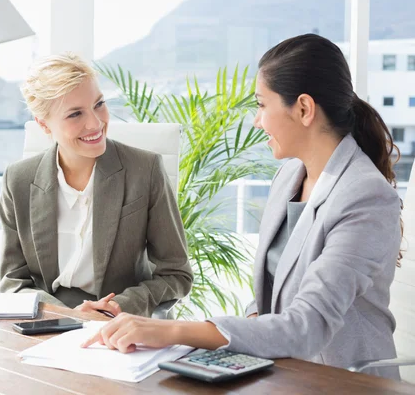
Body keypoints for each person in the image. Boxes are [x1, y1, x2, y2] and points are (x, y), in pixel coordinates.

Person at [81, 34, 403, 380]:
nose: (256, 120)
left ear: (305, 109)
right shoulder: (289, 177)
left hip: (344, 381)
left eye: (262, 105)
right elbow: (269, 301)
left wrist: (167, 331)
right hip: (280, 372)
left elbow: (307, 326)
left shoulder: (365, 196)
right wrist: (243, 336)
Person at [0, 52, 193, 318]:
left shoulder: (144, 170)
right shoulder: (18, 180)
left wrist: (117, 307)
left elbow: (176, 274)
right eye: (75, 114)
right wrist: (63, 313)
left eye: (99, 104)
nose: (96, 122)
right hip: (47, 320)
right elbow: (13, 280)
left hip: (120, 322)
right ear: (44, 125)